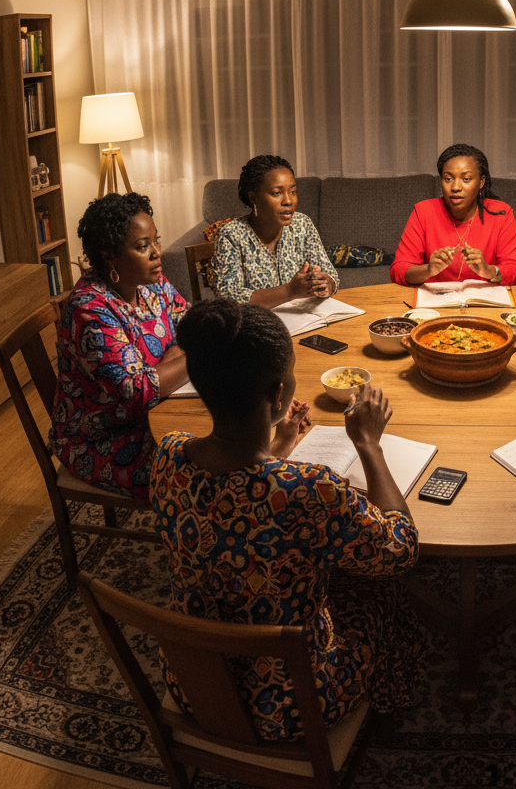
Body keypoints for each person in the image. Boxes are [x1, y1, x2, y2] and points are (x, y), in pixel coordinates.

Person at [150, 297, 425, 741]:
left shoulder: (168, 455)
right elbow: (399, 550)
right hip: (294, 701)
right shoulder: (309, 489)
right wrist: (369, 444)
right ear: (279, 393)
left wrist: (279, 447)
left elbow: (235, 504)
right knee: (387, 593)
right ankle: (388, 710)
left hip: (195, 681)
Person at [49, 193, 189, 497]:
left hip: (164, 405)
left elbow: (192, 325)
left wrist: (163, 370)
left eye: (156, 240)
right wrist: (194, 356)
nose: (157, 253)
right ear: (110, 255)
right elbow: (138, 393)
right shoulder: (90, 310)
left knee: (231, 429)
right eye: (142, 246)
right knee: (202, 466)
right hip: (105, 439)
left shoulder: (153, 282)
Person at [390, 143, 516, 287]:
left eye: (466, 179)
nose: (455, 187)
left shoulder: (501, 213)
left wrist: (488, 271)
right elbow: (398, 269)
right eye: (448, 179)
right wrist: (428, 270)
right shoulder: (423, 211)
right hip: (434, 304)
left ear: (481, 182)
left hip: (484, 303)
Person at [212, 154, 339, 306]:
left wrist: (326, 284)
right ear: (253, 198)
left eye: (292, 191)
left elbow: (330, 275)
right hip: (255, 324)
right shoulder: (232, 235)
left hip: (302, 320)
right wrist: (289, 291)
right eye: (277, 193)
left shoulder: (302, 224)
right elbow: (228, 299)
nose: (288, 201)